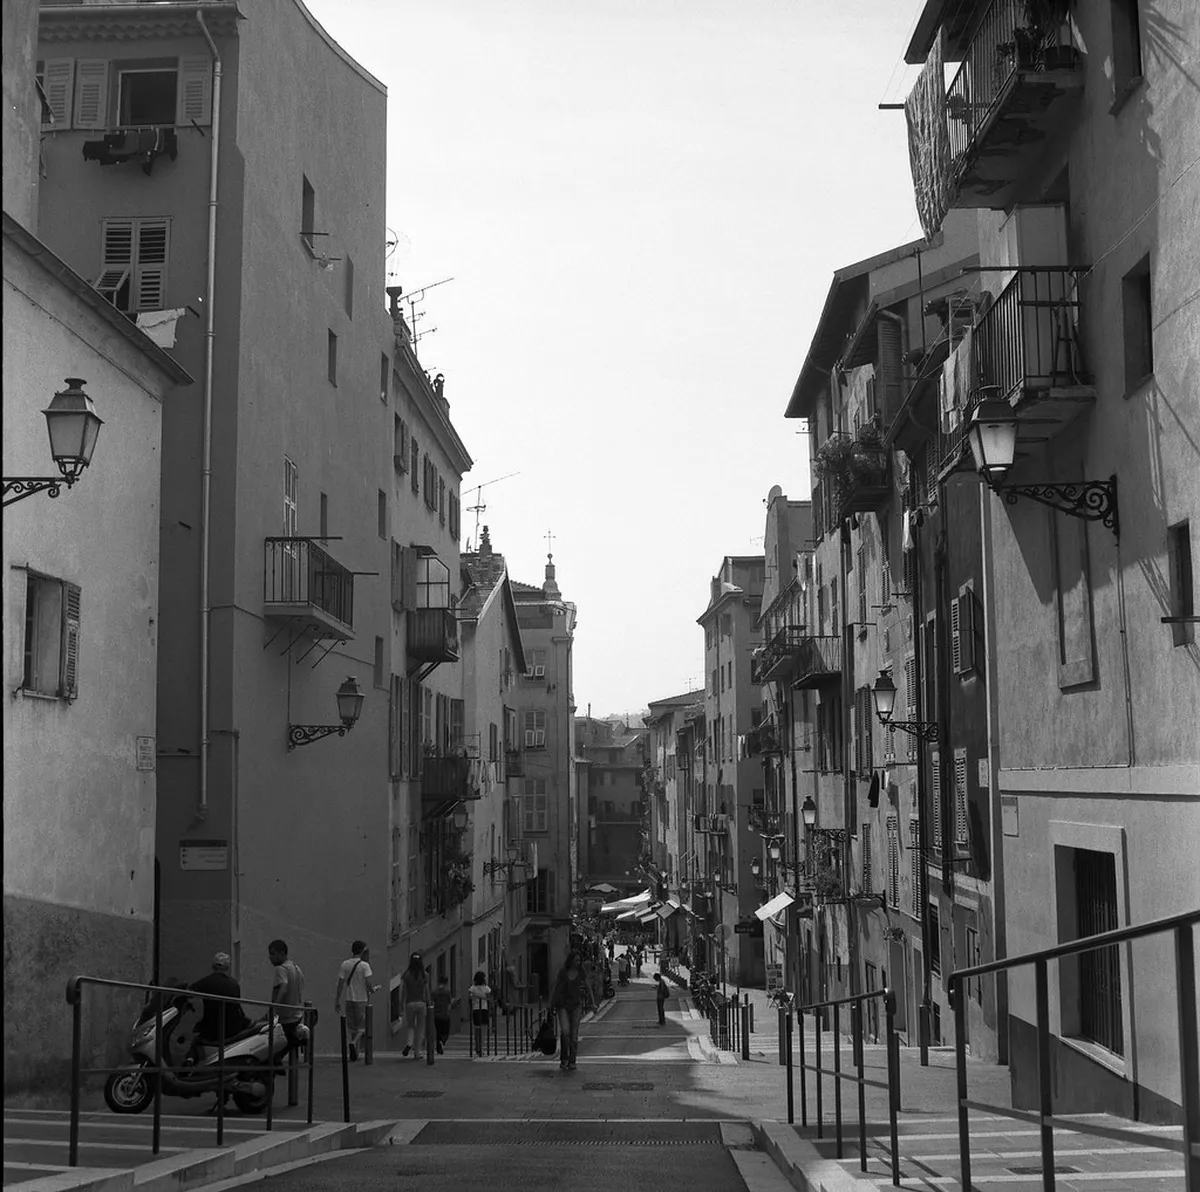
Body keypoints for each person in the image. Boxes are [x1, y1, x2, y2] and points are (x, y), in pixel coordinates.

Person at [187, 953, 250, 1060]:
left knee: (195, 1037)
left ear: (213, 966)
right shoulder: (234, 984)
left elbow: (188, 992)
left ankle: (190, 1059)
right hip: (233, 1028)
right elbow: (237, 1006)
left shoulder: (206, 981)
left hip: (212, 1029)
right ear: (228, 968)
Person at [549, 950, 594, 1072]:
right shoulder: (563, 972)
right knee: (565, 1032)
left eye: (579, 960)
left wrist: (593, 1002)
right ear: (571, 960)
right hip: (563, 1005)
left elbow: (588, 986)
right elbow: (556, 987)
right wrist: (552, 1003)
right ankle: (564, 1059)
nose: (578, 962)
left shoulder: (581, 972)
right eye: (576, 960)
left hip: (576, 1006)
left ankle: (572, 1061)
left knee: (574, 1036)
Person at [334, 940, 378, 1062]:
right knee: (362, 1026)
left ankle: (355, 1053)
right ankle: (354, 1043)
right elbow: (368, 983)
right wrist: (372, 990)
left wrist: (337, 1000)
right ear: (362, 951)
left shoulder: (345, 964)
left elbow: (341, 983)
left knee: (353, 1028)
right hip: (361, 999)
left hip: (349, 999)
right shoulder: (364, 966)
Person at [267, 939, 306, 1059]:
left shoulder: (281, 969)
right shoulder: (296, 968)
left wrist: (274, 1008)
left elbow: (283, 987)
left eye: (272, 954)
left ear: (281, 954)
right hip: (297, 1015)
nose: (270, 957)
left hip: (285, 1018)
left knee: (270, 1049)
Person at [399, 953, 430, 1058]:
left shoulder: (407, 975)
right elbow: (427, 991)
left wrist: (401, 1004)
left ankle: (409, 1043)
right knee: (420, 1028)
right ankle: (417, 1052)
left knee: (411, 1026)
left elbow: (404, 991)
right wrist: (429, 1003)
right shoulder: (425, 975)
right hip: (421, 1003)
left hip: (410, 1004)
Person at [467, 970, 491, 1055]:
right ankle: (481, 1047)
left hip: (476, 1009)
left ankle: (477, 1046)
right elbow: (489, 998)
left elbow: (469, 998)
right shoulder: (487, 988)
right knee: (483, 1030)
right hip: (484, 1009)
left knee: (477, 1030)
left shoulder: (472, 989)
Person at [431, 977, 457, 1054]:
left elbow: (432, 1002)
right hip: (445, 1015)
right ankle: (442, 1042)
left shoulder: (434, 992)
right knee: (446, 1032)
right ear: (446, 983)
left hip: (437, 1015)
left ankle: (439, 1046)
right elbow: (450, 1003)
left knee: (438, 1032)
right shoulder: (447, 991)